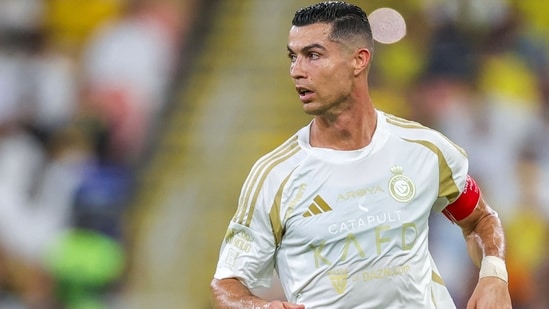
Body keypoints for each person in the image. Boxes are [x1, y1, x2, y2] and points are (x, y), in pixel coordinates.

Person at [210, 2, 512, 308]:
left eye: (312, 55)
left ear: (359, 60)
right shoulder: (275, 176)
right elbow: (227, 284)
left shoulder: (424, 149)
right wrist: (260, 307)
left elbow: (480, 220)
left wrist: (493, 275)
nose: (296, 71)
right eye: (293, 57)